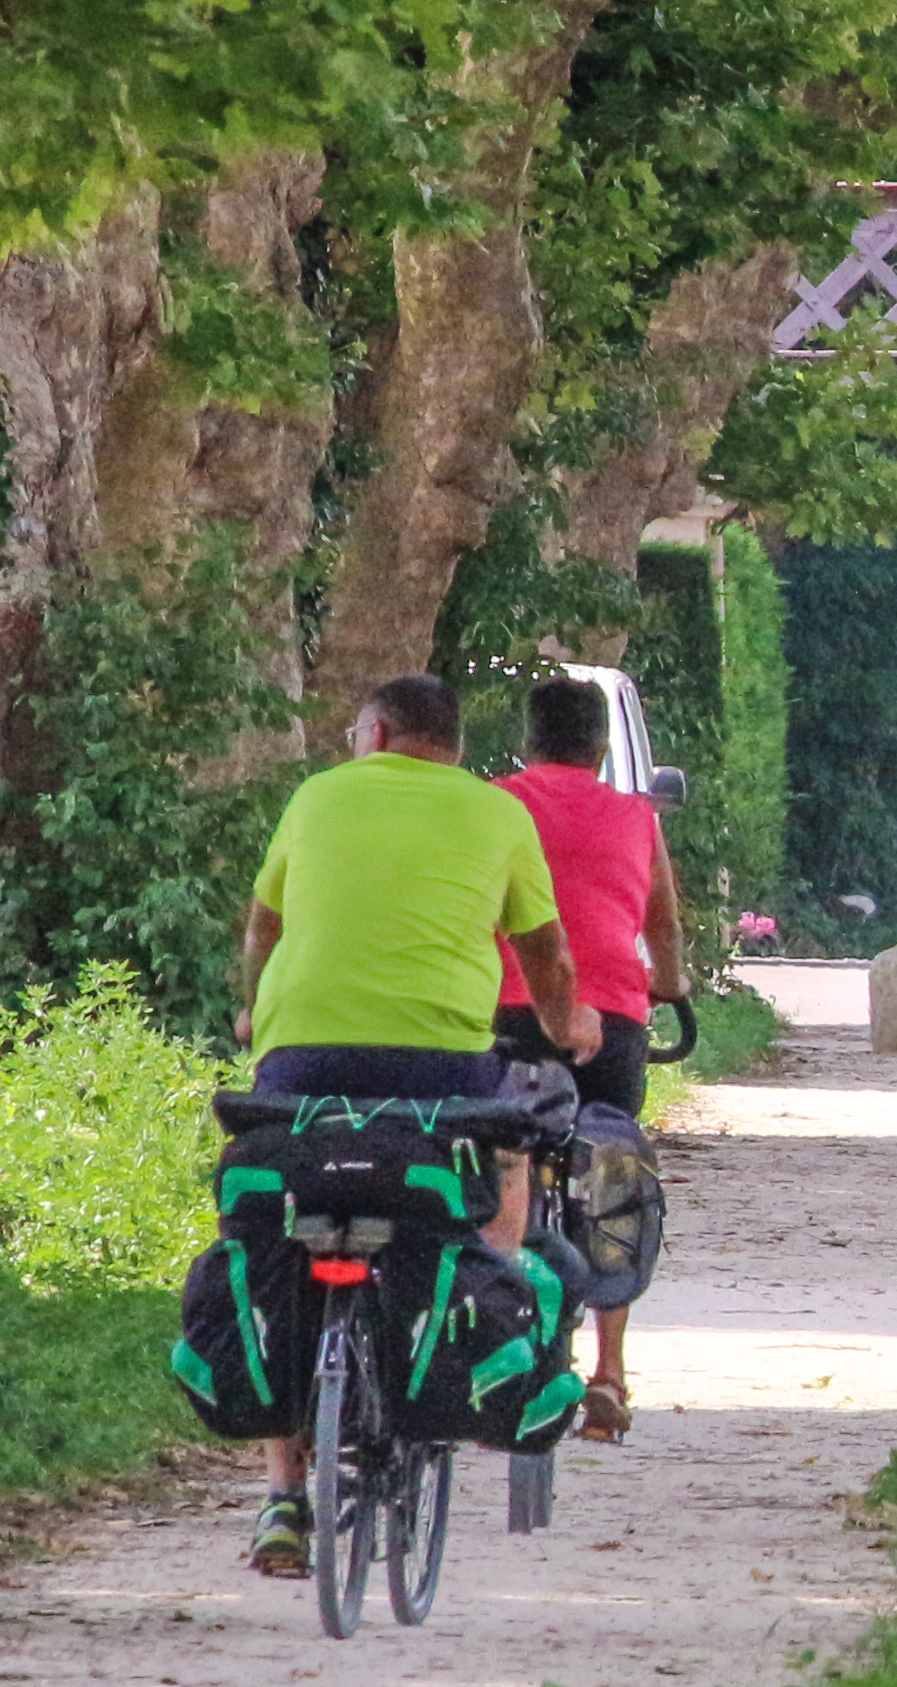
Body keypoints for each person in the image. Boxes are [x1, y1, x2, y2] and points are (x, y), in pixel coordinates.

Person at [234, 673, 601, 1575]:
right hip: (437, 1068)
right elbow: (546, 954)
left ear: (378, 732)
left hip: (301, 1066)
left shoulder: (316, 797)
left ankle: (284, 1494)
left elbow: (262, 928)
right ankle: (488, 1298)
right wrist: (567, 1028)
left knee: (276, 1231)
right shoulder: (497, 815)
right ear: (452, 744)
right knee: (504, 1164)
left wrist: (253, 1018)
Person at [491, 676, 690, 1441]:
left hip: (509, 1010)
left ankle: (500, 1336)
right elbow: (662, 922)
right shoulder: (635, 815)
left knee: (501, 1150)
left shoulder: (500, 804)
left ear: (528, 741)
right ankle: (608, 1371)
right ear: (602, 748)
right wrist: (669, 986)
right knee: (609, 1167)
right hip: (610, 1016)